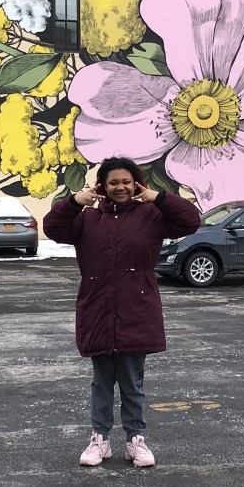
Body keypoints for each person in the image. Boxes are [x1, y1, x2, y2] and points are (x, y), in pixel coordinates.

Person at [43, 156, 201, 468]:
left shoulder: (151, 215)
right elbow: (52, 227)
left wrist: (159, 197)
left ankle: (135, 440)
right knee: (101, 382)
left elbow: (190, 221)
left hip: (136, 310)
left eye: (126, 182)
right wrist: (73, 202)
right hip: (97, 310)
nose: (120, 187)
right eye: (113, 182)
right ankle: (100, 440)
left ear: (136, 184)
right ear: (102, 185)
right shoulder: (87, 219)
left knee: (132, 382)